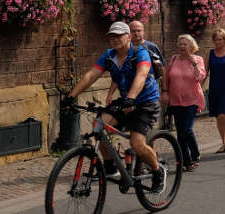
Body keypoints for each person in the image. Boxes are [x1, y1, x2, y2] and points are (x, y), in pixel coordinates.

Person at [64, 22, 165, 192]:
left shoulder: (140, 53)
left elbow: (141, 75)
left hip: (146, 103)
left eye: (119, 35)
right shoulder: (109, 56)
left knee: (137, 143)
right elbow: (91, 75)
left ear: (129, 37)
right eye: (112, 36)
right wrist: (71, 97)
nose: (115, 39)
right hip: (126, 101)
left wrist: (131, 98)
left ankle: (157, 171)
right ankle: (111, 166)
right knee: (99, 126)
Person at [162, 34, 206, 171]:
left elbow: (200, 78)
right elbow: (166, 76)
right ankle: (189, 158)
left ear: (191, 46)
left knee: (185, 130)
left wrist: (193, 63)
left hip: (192, 99)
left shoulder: (198, 59)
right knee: (182, 131)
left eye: (184, 44)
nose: (181, 46)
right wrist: (165, 91)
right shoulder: (174, 59)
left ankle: (189, 158)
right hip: (176, 100)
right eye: (180, 44)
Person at [106, 20, 164, 104]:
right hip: (128, 93)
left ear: (143, 32)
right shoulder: (122, 49)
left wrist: (165, 91)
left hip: (147, 94)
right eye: (133, 31)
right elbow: (118, 73)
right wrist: (110, 93)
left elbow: (162, 68)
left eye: (139, 30)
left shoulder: (151, 47)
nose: (136, 33)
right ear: (128, 33)